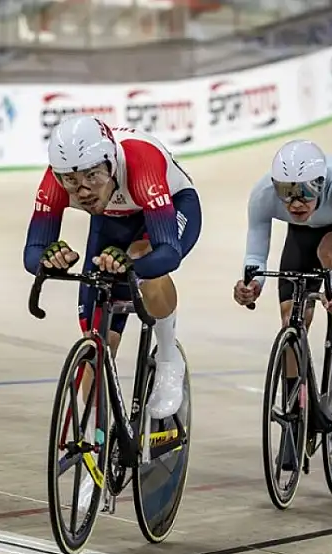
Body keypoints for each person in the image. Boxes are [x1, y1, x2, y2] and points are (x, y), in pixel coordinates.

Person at [23, 115, 202, 422]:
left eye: (93, 176)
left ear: (111, 163)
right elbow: (33, 252)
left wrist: (132, 264)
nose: (83, 191)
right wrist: (50, 258)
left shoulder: (140, 162)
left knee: (142, 256)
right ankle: (97, 442)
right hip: (111, 221)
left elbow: (168, 252)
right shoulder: (58, 179)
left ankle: (169, 357)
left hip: (170, 206)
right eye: (72, 182)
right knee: (98, 344)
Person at [233, 139, 332, 467]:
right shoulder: (263, 196)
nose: (294, 202)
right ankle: (295, 417)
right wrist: (251, 284)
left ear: (321, 185)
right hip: (302, 234)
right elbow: (256, 255)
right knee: (290, 321)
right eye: (286, 192)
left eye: (304, 192)